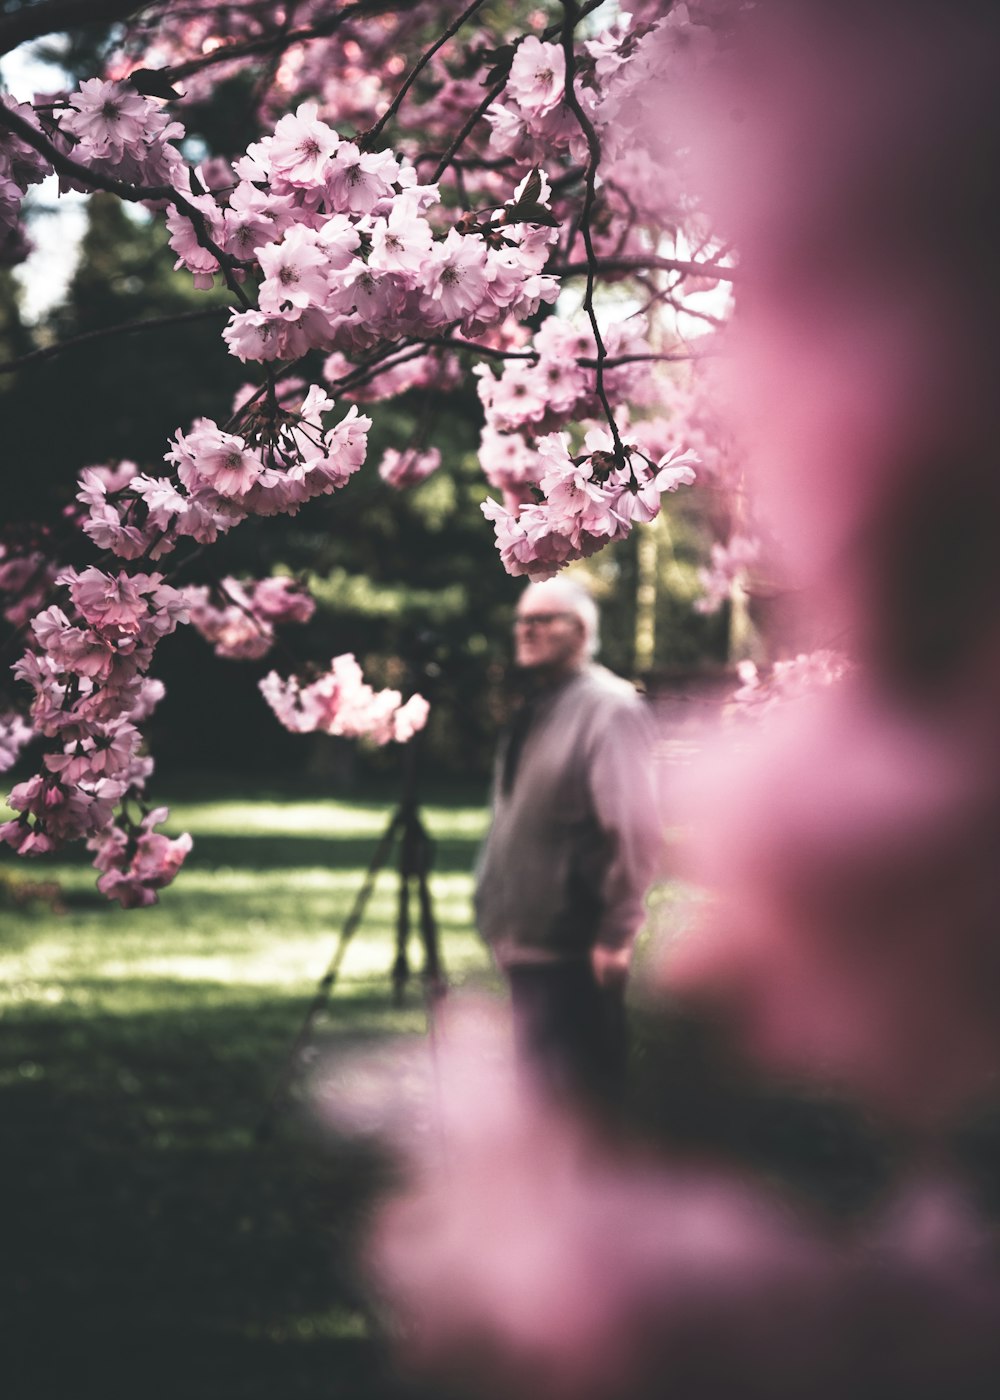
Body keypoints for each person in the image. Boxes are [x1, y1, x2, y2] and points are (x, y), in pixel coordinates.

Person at [475, 576, 663, 1112]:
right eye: (521, 620)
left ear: (580, 631)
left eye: (542, 620)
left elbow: (634, 828)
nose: (525, 631)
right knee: (541, 1102)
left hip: (575, 948)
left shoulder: (611, 709)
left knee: (581, 1104)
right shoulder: (539, 707)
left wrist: (616, 932)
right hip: (526, 942)